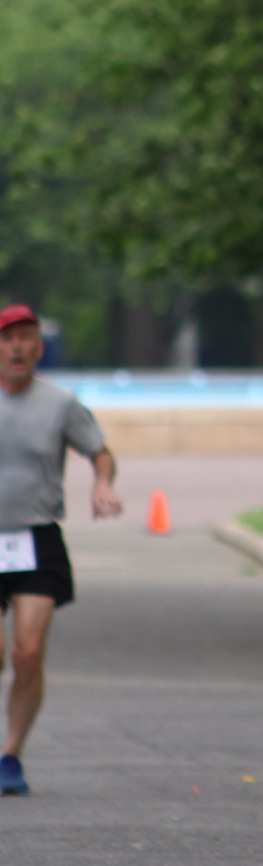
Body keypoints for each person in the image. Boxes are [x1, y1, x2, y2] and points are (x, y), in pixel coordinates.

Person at [0, 304, 123, 796]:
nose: (17, 347)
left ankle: (11, 755)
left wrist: (102, 484)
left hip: (35, 538)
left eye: (26, 338)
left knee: (28, 654)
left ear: (39, 347)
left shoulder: (61, 403)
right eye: (9, 338)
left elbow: (100, 451)